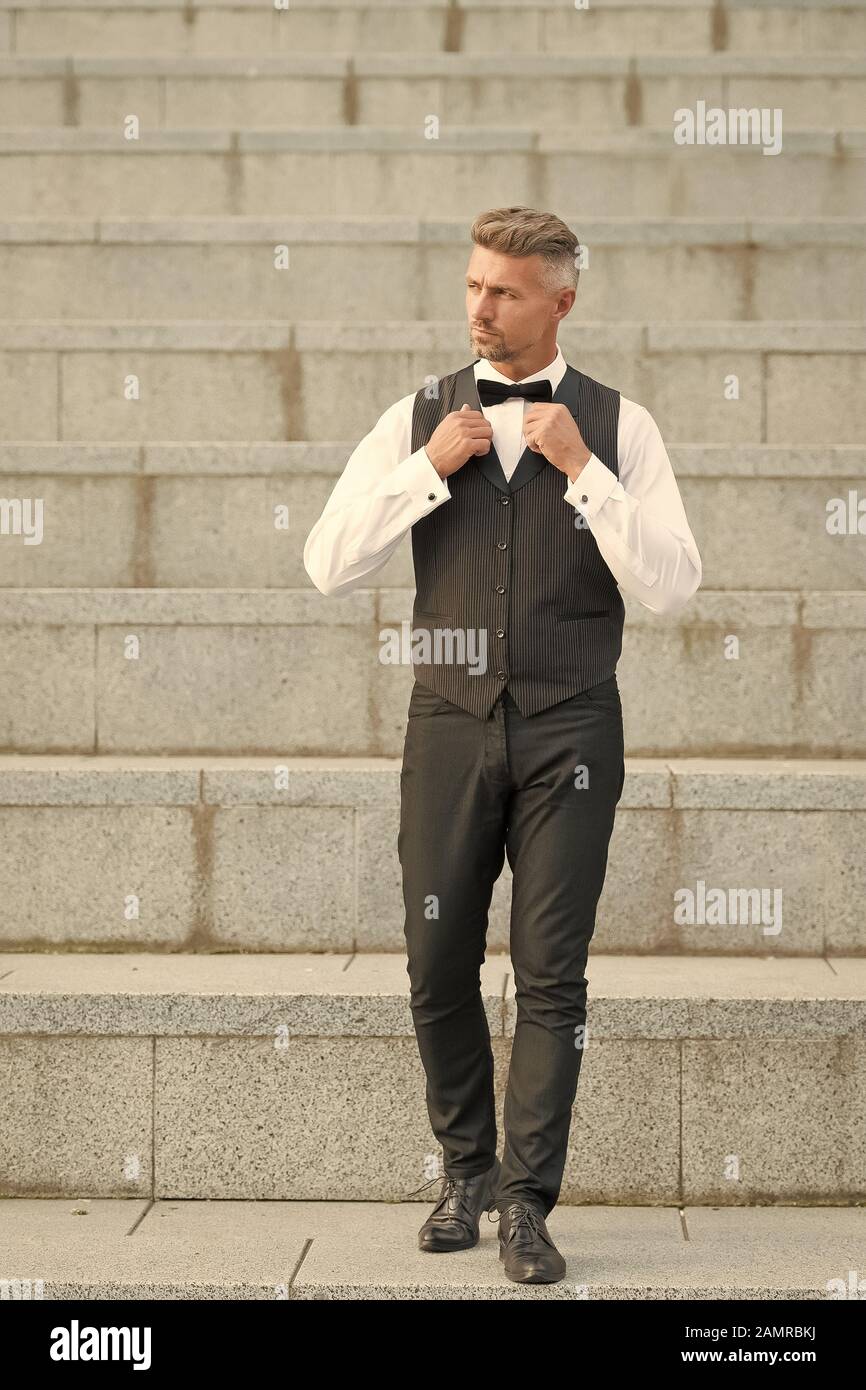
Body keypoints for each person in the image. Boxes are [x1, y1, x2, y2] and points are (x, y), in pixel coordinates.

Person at [304, 205, 702, 1284]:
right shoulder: (417, 415)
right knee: (436, 957)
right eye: (473, 285)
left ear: (560, 300)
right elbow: (326, 561)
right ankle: (464, 1172)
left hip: (571, 723)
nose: (480, 307)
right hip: (446, 720)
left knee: (549, 975)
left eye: (505, 291)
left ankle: (527, 1202)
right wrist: (424, 468)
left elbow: (671, 585)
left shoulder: (622, 427)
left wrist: (586, 473)